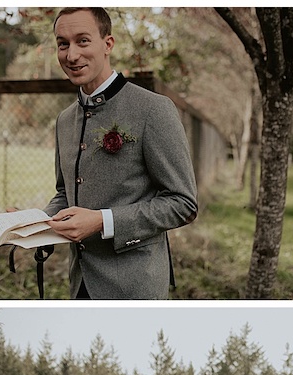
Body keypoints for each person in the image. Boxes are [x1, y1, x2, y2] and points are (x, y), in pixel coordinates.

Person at [44, 7, 197, 299]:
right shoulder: (65, 120)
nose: (71, 55)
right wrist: (33, 223)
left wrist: (103, 221)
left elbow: (183, 203)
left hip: (135, 286)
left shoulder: (153, 110)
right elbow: (65, 194)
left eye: (83, 41)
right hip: (80, 284)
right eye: (63, 44)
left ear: (108, 44)